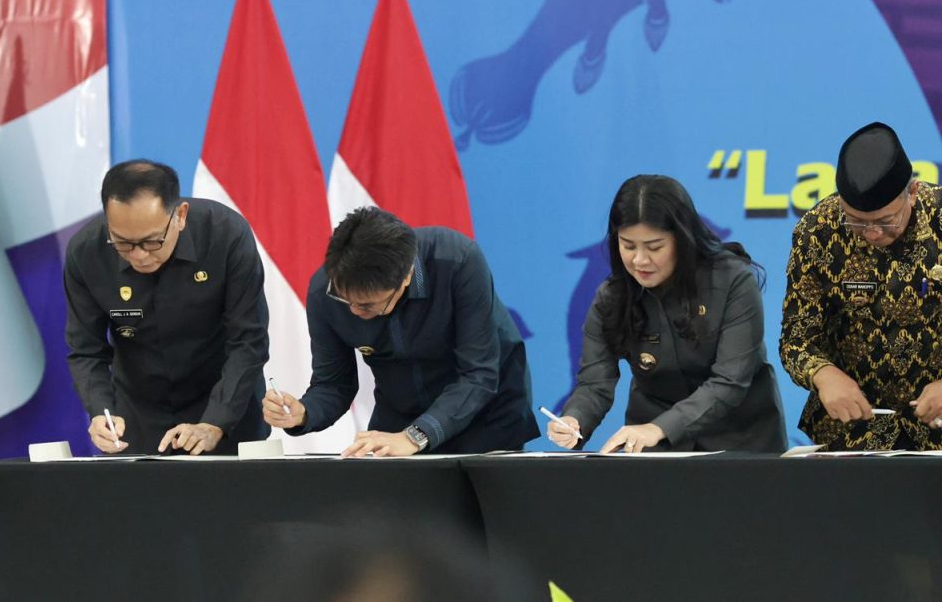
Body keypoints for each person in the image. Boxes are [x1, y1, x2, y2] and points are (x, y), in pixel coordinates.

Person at [262, 206, 539, 456]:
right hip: (400, 416)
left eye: (367, 306)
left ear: (406, 277)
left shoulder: (457, 260)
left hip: (486, 414)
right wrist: (304, 413)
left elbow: (478, 375)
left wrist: (416, 436)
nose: (354, 312)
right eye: (345, 300)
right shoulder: (324, 292)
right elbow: (334, 384)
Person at [548, 174, 787, 453]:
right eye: (628, 246)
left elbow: (730, 381)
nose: (639, 260)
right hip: (653, 450)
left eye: (655, 247)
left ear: (683, 239)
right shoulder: (611, 297)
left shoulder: (733, 281)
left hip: (740, 444)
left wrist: (659, 428)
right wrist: (574, 419)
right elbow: (595, 383)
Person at [64, 160, 270, 455]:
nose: (139, 256)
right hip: (137, 416)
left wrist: (215, 422)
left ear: (180, 216)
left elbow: (248, 340)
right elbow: (86, 350)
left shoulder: (226, 235)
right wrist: (101, 411)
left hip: (227, 408)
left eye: (152, 242)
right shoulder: (86, 252)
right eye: (122, 243)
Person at [780, 121, 942, 450]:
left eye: (885, 221)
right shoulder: (817, 230)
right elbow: (796, 338)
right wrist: (823, 375)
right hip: (852, 429)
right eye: (856, 221)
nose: (871, 233)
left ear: (912, 192)